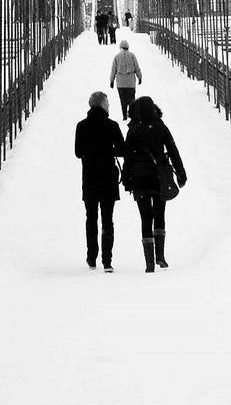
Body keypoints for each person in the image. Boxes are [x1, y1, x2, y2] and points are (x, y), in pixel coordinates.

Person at [121, 94, 187, 272]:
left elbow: (128, 158)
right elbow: (173, 151)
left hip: (140, 177)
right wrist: (181, 174)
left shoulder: (133, 130)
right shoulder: (161, 127)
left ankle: (149, 263)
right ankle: (161, 256)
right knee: (159, 213)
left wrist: (125, 179)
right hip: (160, 176)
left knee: (145, 217)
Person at [73, 89, 124, 271]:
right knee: (107, 219)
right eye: (108, 103)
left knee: (91, 217)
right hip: (108, 177)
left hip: (89, 177)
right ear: (102, 104)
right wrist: (107, 150)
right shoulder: (112, 126)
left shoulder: (81, 126)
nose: (109, 106)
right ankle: (107, 260)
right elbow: (122, 149)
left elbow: (78, 152)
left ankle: (91, 256)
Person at [108, 35, 143, 117]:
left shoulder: (117, 57)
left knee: (122, 99)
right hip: (130, 82)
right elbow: (137, 67)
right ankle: (131, 114)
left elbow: (113, 70)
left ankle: (124, 115)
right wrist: (140, 77)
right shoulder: (132, 56)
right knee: (131, 99)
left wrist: (112, 81)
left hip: (120, 83)